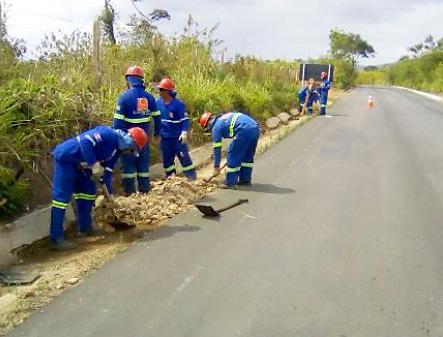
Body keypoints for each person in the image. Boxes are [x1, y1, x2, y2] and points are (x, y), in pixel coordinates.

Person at [50, 126, 148, 251]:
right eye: (132, 149)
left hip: (81, 166)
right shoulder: (107, 134)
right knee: (61, 198)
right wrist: (93, 163)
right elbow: (86, 141)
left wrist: (109, 194)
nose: (129, 153)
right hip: (68, 157)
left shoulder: (116, 151)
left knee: (88, 192)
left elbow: (107, 171)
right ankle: (56, 239)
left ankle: (85, 228)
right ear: (129, 142)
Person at [113, 65, 159, 195]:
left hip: (128, 140)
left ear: (128, 79)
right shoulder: (149, 97)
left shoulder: (124, 98)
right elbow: (157, 117)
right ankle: (144, 191)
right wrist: (156, 133)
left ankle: (130, 194)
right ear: (141, 79)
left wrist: (118, 140)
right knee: (143, 166)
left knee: (128, 168)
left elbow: (117, 123)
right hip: (143, 140)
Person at [199, 111, 260, 189]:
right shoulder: (223, 119)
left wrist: (216, 167)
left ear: (207, 126)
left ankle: (230, 183)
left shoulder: (216, 128)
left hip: (244, 130)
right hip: (255, 128)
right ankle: (245, 180)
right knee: (247, 156)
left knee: (232, 154)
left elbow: (217, 150)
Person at [155, 78, 197, 180]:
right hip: (165, 138)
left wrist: (184, 132)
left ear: (167, 91)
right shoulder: (158, 103)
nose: (159, 92)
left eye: (161, 90)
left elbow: (185, 120)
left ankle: (192, 178)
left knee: (184, 158)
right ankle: (171, 178)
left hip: (177, 138)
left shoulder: (178, 104)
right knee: (167, 160)